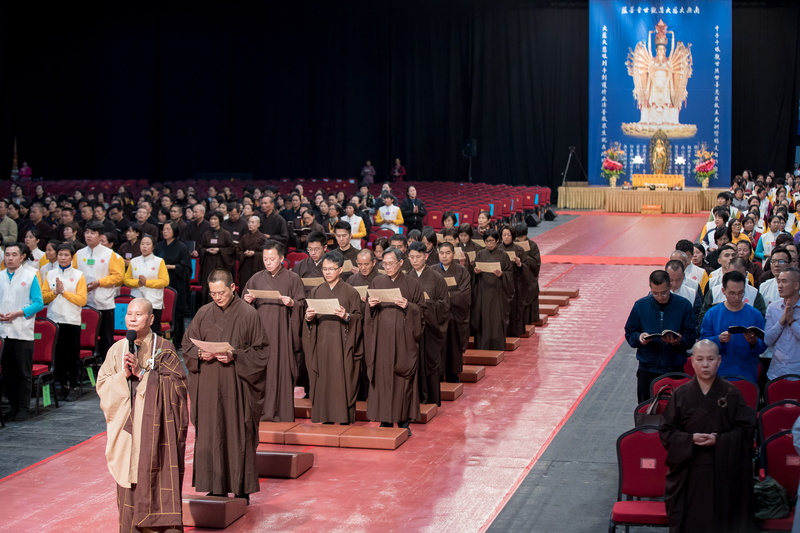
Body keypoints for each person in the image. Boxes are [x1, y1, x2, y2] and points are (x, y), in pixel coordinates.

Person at [96, 298, 188, 532]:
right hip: (127, 432)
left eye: (139, 314)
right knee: (130, 489)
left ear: (151, 319)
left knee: (159, 485)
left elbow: (178, 388)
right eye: (129, 314)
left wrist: (143, 374)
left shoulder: (164, 349)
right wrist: (123, 377)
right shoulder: (117, 349)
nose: (133, 318)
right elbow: (103, 385)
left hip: (156, 434)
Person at [182, 269, 268, 503]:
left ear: (232, 288)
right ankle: (215, 485)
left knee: (237, 432)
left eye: (221, 292)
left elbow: (261, 352)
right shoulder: (202, 313)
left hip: (236, 386)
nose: (217, 297)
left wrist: (235, 356)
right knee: (211, 433)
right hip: (208, 382)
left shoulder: (249, 314)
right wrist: (200, 352)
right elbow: (186, 346)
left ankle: (241, 488)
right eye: (212, 293)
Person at [659, 340, 757, 533]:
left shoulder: (731, 393)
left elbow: (747, 431)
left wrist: (719, 441)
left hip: (724, 471)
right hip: (689, 471)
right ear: (692, 362)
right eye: (700, 359)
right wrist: (690, 439)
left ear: (719, 361)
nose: (705, 364)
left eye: (710, 359)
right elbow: (666, 431)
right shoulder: (681, 394)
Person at [244, 240, 306, 420]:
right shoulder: (256, 278)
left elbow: (302, 304)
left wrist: (293, 303)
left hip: (282, 333)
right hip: (260, 333)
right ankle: (261, 411)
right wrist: (247, 301)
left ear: (281, 258)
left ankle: (280, 412)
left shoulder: (293, 278)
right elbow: (243, 306)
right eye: (265, 259)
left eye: (272, 259)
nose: (268, 262)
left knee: (280, 370)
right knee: (262, 372)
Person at [364, 247, 424, 434]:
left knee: (401, 380)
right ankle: (385, 420)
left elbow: (422, 312)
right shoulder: (377, 281)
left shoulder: (413, 284)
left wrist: (409, 306)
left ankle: (403, 419)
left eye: (391, 263)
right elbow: (368, 314)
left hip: (403, 341)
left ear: (401, 263)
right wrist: (371, 306)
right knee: (382, 378)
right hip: (381, 340)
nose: (387, 267)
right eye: (384, 263)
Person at [302, 250, 363, 424]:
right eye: (325, 269)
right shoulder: (315, 291)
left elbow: (359, 318)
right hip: (321, 344)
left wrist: (346, 316)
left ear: (340, 269)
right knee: (323, 379)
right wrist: (308, 318)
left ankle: (342, 417)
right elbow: (307, 322)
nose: (327, 272)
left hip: (342, 345)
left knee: (341, 379)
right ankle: (325, 416)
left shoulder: (351, 292)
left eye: (331, 269)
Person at [624, 270, 697, 403]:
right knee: (646, 412)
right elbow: (630, 332)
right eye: (655, 293)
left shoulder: (683, 305)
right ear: (650, 288)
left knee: (676, 411)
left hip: (674, 368)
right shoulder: (641, 305)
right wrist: (639, 338)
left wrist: (679, 340)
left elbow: (691, 336)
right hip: (647, 369)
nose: (660, 297)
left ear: (670, 286)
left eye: (664, 293)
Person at [0, 243, 44, 421]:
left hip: (22, 331)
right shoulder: (1, 276)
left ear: (22, 257)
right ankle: (12, 406)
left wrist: (19, 312)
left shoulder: (30, 275)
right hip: (3, 333)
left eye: (13, 255)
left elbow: (38, 303)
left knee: (23, 373)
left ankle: (24, 408)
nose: (10, 258)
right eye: (7, 255)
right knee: (8, 373)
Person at [700, 271, 766, 383]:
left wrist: (753, 342)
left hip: (747, 374)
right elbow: (703, 342)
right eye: (732, 293)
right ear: (723, 291)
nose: (737, 297)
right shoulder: (713, 313)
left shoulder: (755, 314)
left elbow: (763, 345)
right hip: (718, 375)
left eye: (741, 293)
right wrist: (718, 339)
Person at [41, 243, 87, 401]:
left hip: (72, 320)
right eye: (60, 254)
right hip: (54, 319)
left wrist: (64, 292)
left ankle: (73, 385)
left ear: (72, 257)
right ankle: (62, 385)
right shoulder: (50, 274)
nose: (63, 257)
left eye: (66, 255)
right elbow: (43, 297)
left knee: (72, 356)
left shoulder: (79, 275)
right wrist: (54, 293)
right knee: (58, 356)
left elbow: (82, 300)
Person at [74, 221, 125, 360]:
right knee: (84, 336)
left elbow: (119, 277)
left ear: (100, 235)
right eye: (87, 232)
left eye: (93, 233)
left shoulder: (110, 255)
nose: (89, 236)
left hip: (104, 302)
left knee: (106, 338)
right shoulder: (79, 254)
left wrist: (99, 283)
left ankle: (106, 365)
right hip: (83, 301)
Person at [408, 242, 449, 406]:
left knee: (428, 363)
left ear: (426, 256)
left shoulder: (437, 278)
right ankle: (411, 401)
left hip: (430, 329)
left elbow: (444, 306)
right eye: (411, 257)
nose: (415, 260)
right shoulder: (406, 277)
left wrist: (427, 303)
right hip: (410, 329)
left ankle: (429, 400)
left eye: (418, 257)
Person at [433, 241, 471, 383]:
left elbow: (465, 294)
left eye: (447, 253)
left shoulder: (462, 272)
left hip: (454, 315)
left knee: (453, 346)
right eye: (441, 253)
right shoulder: (432, 270)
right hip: (436, 315)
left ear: (453, 254)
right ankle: (437, 373)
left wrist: (446, 295)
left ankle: (453, 373)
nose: (444, 256)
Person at [471, 230, 514, 350]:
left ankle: (496, 346)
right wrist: (475, 272)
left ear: (497, 241)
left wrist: (502, 275)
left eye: (491, 241)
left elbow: (510, 273)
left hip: (497, 292)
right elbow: (474, 270)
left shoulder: (503, 255)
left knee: (496, 320)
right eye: (487, 241)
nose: (489, 244)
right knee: (483, 319)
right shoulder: (480, 254)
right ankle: (482, 346)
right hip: (483, 291)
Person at [123, 234, 169, 334]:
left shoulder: (159, 261)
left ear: (153, 247)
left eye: (147, 244)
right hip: (137, 300)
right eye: (142, 244)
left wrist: (146, 282)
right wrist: (138, 283)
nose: (144, 246)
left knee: (154, 330)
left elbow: (165, 281)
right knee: (136, 330)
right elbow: (126, 280)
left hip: (154, 301)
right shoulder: (134, 261)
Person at [154, 221, 191, 345]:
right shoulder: (159, 246)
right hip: (161, 282)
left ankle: (178, 340)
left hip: (176, 281)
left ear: (174, 231)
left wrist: (172, 267)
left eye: (168, 229)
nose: (165, 232)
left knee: (176, 311)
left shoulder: (182, 247)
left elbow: (186, 267)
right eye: (164, 229)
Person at [764, 267, 800, 379]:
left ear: (796, 286)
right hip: (776, 373)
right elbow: (768, 341)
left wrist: (791, 321)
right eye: (778, 281)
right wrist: (781, 321)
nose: (779, 285)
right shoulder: (772, 308)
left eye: (784, 281)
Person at [198, 211, 235, 304]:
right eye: (211, 219)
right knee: (208, 286)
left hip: (221, 262)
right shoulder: (206, 234)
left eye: (215, 219)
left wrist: (220, 250)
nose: (212, 221)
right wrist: (207, 250)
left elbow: (232, 249)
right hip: (208, 263)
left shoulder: (226, 234)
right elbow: (200, 248)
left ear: (219, 220)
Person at [514, 222, 541, 326]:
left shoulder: (533, 245)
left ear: (526, 234)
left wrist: (525, 256)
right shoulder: (513, 244)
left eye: (522, 236)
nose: (520, 239)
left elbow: (536, 263)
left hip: (529, 277)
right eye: (518, 237)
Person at [236, 215, 267, 291]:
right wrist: (244, 253)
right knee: (244, 286)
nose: (250, 224)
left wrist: (254, 254)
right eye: (249, 222)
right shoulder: (244, 237)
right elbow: (238, 250)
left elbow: (266, 253)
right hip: (245, 265)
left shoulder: (262, 237)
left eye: (253, 222)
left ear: (258, 224)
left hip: (256, 266)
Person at [293, 230, 326, 295]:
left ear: (325, 248)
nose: (313, 253)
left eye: (316, 249)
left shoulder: (332, 265)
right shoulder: (300, 265)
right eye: (310, 249)